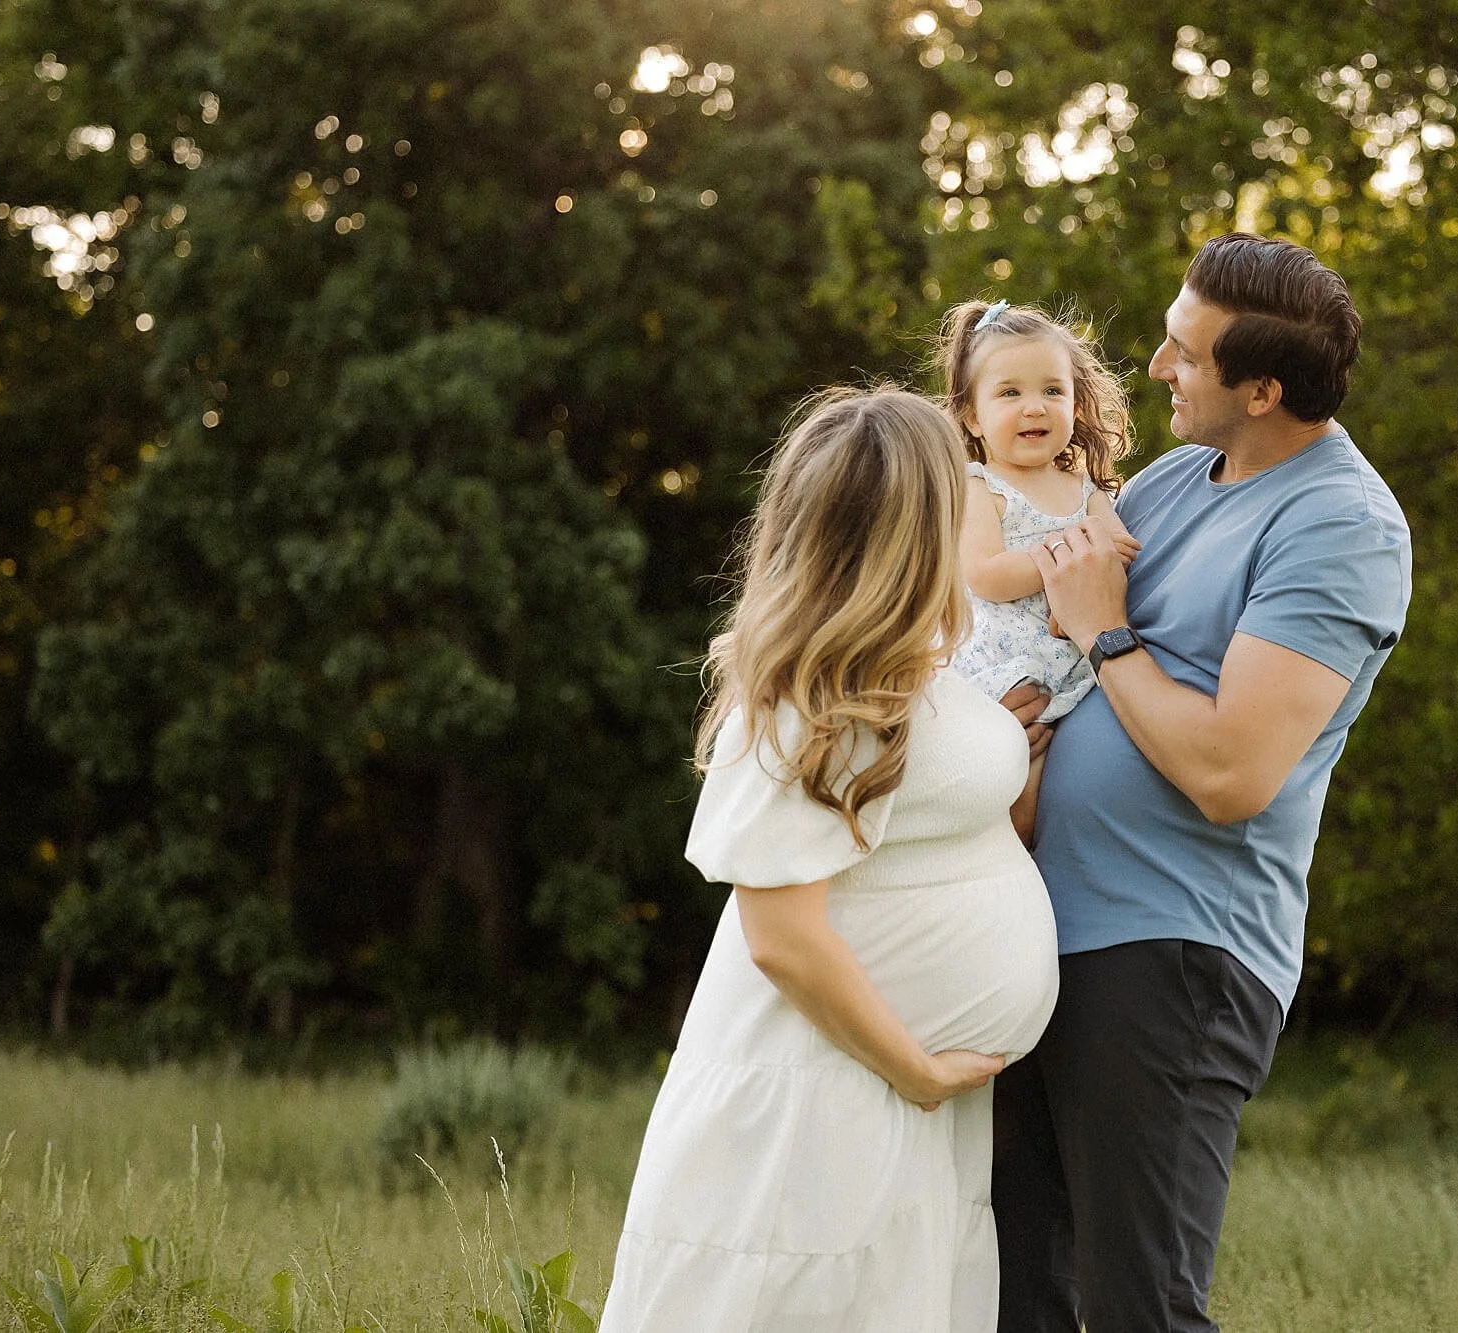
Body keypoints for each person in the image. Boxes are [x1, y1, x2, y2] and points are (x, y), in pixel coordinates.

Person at [991, 233, 1413, 1332]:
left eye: (1184, 352)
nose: (1156, 368)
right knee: (1007, 1295)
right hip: (1037, 930)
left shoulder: (1341, 527)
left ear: (1262, 389)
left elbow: (1231, 772)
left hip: (1171, 953)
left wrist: (1105, 636)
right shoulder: (1178, 477)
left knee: (1139, 1308)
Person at [599, 387, 1061, 1332]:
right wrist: (917, 1071)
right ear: (912, 526)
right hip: (825, 1093)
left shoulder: (922, 664)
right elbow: (781, 937)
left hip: (896, 1103)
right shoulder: (801, 688)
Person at [936, 298, 1137, 835]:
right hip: (1004, 665)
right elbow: (988, 575)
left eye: (1053, 391)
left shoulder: (1087, 491)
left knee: (1057, 791)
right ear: (972, 416)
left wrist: (1091, 567)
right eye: (1010, 393)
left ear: (1076, 403)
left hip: (1072, 663)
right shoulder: (979, 486)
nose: (1035, 407)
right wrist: (1068, 561)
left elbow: (1118, 554)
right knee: (1012, 788)